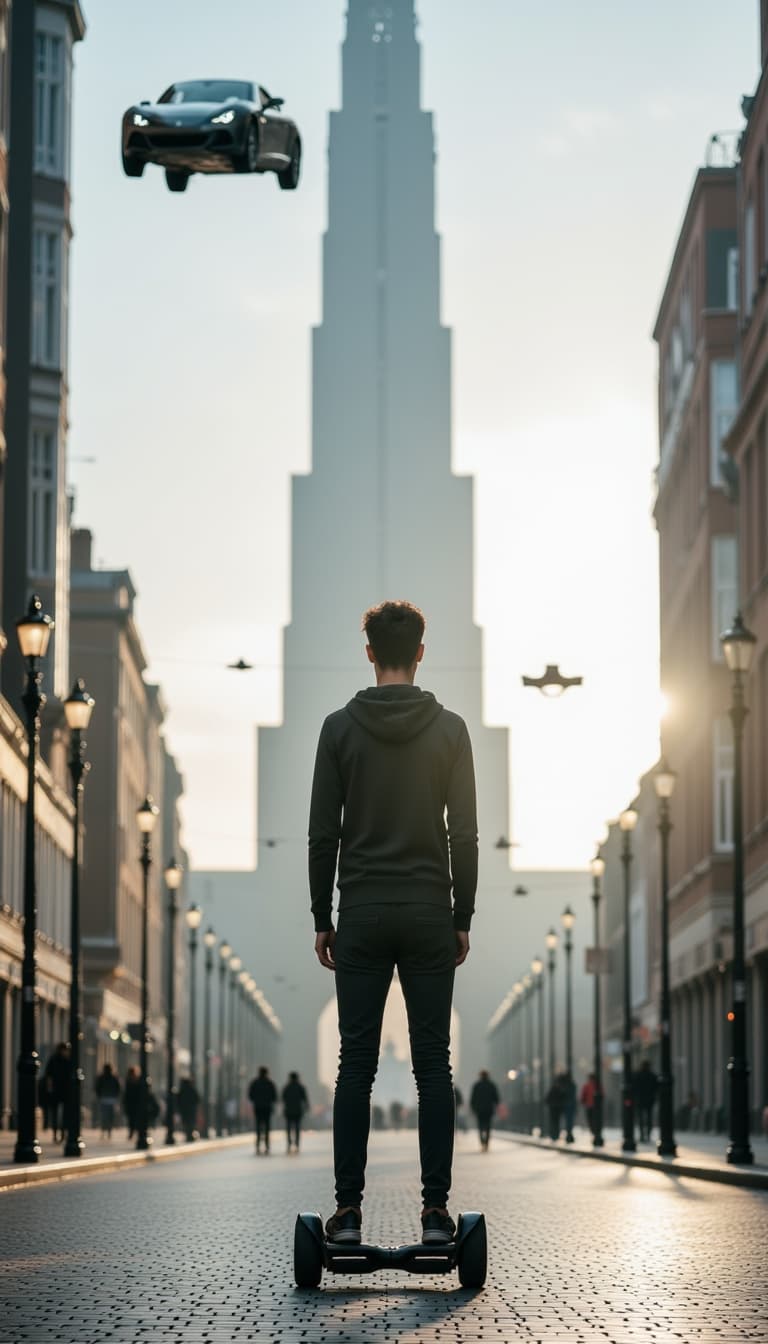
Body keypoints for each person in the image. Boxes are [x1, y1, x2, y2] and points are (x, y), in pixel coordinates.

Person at [310, 600, 477, 1247]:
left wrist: (322, 917)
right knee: (433, 1065)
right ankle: (436, 1214)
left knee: (356, 1065)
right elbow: (462, 831)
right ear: (421, 654)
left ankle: (347, 1216)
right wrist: (462, 914)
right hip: (431, 908)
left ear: (370, 653)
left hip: (364, 911)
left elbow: (323, 834)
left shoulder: (337, 729)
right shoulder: (451, 730)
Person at [43, 1043, 71, 1142]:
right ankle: (57, 1133)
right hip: (60, 1090)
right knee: (58, 1113)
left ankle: (62, 1133)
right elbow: (48, 1075)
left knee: (62, 1113)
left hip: (60, 1090)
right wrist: (49, 1087)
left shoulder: (56, 1059)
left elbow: (48, 1074)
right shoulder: (63, 1060)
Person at [248, 1066, 277, 1154]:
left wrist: (256, 1100)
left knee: (258, 1126)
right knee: (267, 1127)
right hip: (267, 1107)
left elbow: (250, 1095)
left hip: (258, 1107)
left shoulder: (255, 1083)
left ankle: (257, 1146)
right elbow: (274, 1096)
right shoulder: (270, 1083)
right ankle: (267, 1146)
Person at [469, 1071, 499, 1150]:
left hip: (479, 1110)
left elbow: (473, 1098)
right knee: (488, 1126)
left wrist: (473, 1108)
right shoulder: (491, 1085)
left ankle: (482, 1142)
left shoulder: (477, 1085)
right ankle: (486, 1143)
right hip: (489, 1109)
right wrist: (496, 1104)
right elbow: (496, 1098)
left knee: (480, 1126)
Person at [282, 1071, 309, 1152]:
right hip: (298, 1111)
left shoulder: (286, 1087)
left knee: (289, 1128)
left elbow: (282, 1098)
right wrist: (306, 1107)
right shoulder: (300, 1087)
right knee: (297, 1128)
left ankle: (289, 1144)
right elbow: (305, 1099)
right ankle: (297, 1144)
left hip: (288, 1111)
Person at [633, 1060, 658, 1141]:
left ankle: (642, 1135)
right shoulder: (652, 1076)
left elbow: (635, 1087)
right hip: (649, 1099)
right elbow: (656, 1088)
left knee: (641, 1118)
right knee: (649, 1117)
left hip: (640, 1099)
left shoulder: (638, 1075)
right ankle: (647, 1134)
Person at [95, 1062, 121, 1138]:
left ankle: (103, 1131)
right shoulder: (114, 1078)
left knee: (104, 1116)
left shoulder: (101, 1077)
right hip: (112, 1099)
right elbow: (118, 1088)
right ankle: (109, 1131)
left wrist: (99, 1096)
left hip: (103, 1099)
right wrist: (116, 1096)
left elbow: (97, 1088)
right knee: (110, 1116)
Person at [177, 1076, 200, 1142]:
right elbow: (197, 1099)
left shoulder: (182, 1090)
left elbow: (178, 1101)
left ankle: (188, 1135)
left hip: (184, 1110)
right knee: (190, 1123)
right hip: (191, 1110)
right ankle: (190, 1135)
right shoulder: (191, 1089)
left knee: (186, 1123)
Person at [579, 1072, 602, 1137]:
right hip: (595, 1106)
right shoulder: (597, 1085)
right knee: (594, 1119)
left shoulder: (587, 1085)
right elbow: (602, 1094)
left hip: (589, 1106)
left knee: (590, 1119)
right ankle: (595, 1131)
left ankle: (593, 1131)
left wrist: (582, 1101)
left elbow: (583, 1095)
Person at [545, 1073, 566, 1141]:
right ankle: (554, 1135)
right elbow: (548, 1099)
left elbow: (548, 1099)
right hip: (554, 1108)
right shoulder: (557, 1090)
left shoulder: (557, 1090)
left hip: (556, 1109)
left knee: (555, 1122)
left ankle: (555, 1135)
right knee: (554, 1122)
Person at [124, 1065, 141, 1139]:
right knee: (135, 1118)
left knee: (131, 1119)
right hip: (136, 1103)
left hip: (130, 1103)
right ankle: (133, 1131)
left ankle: (132, 1132)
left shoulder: (128, 1081)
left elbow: (126, 1093)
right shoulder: (137, 1080)